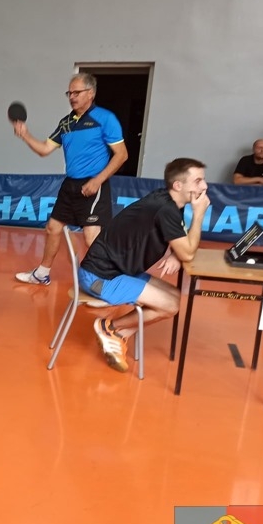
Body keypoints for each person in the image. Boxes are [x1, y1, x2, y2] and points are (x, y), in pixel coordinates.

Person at [78, 158, 210, 372]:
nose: (204, 186)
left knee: (175, 296)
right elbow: (188, 251)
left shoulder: (167, 201)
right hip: (100, 277)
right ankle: (108, 326)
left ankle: (119, 335)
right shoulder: (166, 209)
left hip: (118, 270)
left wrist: (176, 254)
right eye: (198, 181)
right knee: (170, 305)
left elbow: (180, 243)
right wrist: (199, 215)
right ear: (178, 185)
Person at [12, 73, 128, 284]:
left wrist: (98, 180)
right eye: (69, 93)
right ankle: (41, 274)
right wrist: (25, 135)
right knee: (53, 228)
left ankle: (107, 281)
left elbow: (122, 155)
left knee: (91, 237)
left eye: (77, 92)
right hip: (70, 184)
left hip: (94, 183)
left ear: (90, 93)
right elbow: (45, 149)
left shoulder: (105, 118)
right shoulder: (66, 123)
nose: (72, 97)